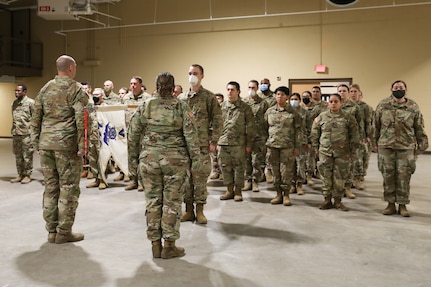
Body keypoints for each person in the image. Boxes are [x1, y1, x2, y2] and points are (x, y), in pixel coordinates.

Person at [128, 72, 201, 259]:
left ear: (157, 85)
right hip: (175, 161)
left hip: (149, 160)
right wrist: (196, 161)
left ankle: (154, 244)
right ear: (172, 87)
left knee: (153, 201)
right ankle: (169, 245)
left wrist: (132, 163)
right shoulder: (181, 106)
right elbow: (191, 136)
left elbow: (133, 134)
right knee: (172, 202)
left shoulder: (146, 105)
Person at [31, 55, 88, 244]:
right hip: (67, 145)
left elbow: (36, 115)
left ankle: (51, 231)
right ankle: (64, 232)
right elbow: (82, 119)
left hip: (46, 144)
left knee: (51, 187)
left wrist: (37, 142)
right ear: (71, 68)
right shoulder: (76, 89)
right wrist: (83, 145)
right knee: (68, 188)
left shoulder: (45, 88)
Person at [373, 80, 428, 217]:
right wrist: (374, 144)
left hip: (406, 147)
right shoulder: (383, 105)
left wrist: (421, 145)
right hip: (386, 146)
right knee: (388, 175)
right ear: (391, 89)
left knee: (404, 176)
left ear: (406, 89)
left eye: (401, 87)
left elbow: (419, 126)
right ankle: (390, 204)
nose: (398, 89)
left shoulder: (412, 106)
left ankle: (403, 205)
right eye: (396, 87)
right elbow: (376, 126)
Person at [178, 64, 222, 224]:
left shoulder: (209, 97)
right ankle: (188, 210)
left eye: (195, 73)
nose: (192, 76)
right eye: (190, 73)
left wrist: (214, 141)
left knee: (200, 179)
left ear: (202, 75)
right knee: (186, 179)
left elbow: (218, 120)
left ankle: (200, 211)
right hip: (184, 147)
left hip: (202, 146)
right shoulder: (182, 99)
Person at [311, 93, 360, 211]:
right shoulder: (321, 117)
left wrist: (353, 150)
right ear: (328, 103)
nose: (333, 104)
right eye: (331, 101)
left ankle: (338, 201)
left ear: (340, 103)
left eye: (336, 101)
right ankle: (326, 199)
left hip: (342, 152)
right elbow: (314, 134)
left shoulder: (348, 117)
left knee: (340, 177)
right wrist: (316, 148)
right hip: (325, 152)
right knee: (325, 177)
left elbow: (354, 135)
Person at [218, 81, 256, 202]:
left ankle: (238, 191)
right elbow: (215, 124)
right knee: (225, 167)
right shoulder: (221, 106)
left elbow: (250, 127)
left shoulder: (245, 107)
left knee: (239, 168)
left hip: (239, 143)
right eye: (228, 89)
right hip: (223, 142)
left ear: (238, 91)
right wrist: (215, 141)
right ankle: (229, 190)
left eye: (232, 90)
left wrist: (249, 144)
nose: (230, 92)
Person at [264, 86, 302, 206]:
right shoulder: (269, 112)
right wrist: (264, 145)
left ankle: (286, 195)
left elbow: (299, 131)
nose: (279, 97)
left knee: (286, 172)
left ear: (287, 97)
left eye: (282, 94)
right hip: (272, 146)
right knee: (275, 171)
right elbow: (264, 129)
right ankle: (278, 194)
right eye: (277, 94)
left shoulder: (293, 112)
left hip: (287, 146)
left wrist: (297, 147)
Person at [121, 76, 151, 191]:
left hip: (143, 133)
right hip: (130, 131)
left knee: (143, 157)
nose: (132, 86)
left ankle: (142, 182)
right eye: (131, 83)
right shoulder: (126, 98)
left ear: (140, 85)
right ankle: (134, 180)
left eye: (135, 84)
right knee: (131, 157)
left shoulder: (147, 98)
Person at [242, 80, 269, 192]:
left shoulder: (263, 103)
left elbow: (267, 120)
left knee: (256, 161)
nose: (251, 89)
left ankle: (255, 181)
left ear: (257, 88)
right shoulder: (243, 102)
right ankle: (247, 181)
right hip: (246, 136)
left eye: (253, 87)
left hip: (259, 135)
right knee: (246, 160)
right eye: (249, 87)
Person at [337, 84, 363, 199]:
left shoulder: (354, 107)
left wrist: (357, 141)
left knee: (349, 166)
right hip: (335, 141)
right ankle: (338, 188)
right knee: (336, 167)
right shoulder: (333, 104)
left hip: (348, 142)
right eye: (340, 91)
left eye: (344, 91)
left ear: (348, 92)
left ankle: (347, 188)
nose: (342, 93)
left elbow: (359, 125)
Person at [349, 84, 373, 190]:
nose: (353, 93)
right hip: (348, 137)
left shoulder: (365, 107)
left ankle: (358, 179)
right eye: (351, 91)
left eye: (355, 91)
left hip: (361, 137)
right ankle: (349, 179)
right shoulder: (346, 106)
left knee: (360, 160)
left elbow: (369, 122)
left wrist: (368, 135)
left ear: (359, 93)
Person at [85, 88, 109, 190]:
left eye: (97, 94)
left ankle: (103, 180)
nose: (95, 96)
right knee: (92, 159)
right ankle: (96, 179)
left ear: (102, 96)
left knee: (102, 160)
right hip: (92, 137)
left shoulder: (106, 107)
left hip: (102, 139)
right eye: (93, 94)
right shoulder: (91, 107)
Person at [11, 84, 35, 184]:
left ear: (24, 92)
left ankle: (27, 175)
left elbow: (36, 118)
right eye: (15, 91)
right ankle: (20, 174)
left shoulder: (30, 103)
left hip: (26, 134)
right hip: (16, 133)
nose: (16, 93)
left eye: (19, 91)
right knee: (18, 155)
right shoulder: (14, 103)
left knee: (27, 155)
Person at [288, 92, 307, 195]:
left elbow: (308, 127)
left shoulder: (304, 112)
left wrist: (309, 141)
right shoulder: (287, 111)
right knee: (290, 164)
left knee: (300, 164)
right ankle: (291, 185)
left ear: (299, 101)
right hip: (289, 141)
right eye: (292, 99)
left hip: (301, 141)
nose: (293, 101)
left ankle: (299, 184)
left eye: (295, 99)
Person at [257, 78, 275, 183]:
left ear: (269, 85)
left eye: (265, 84)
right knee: (260, 152)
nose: (263, 85)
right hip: (260, 128)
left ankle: (269, 171)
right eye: (262, 83)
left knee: (270, 152)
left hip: (272, 127)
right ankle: (261, 173)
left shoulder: (274, 96)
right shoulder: (257, 96)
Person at [209, 93, 224, 180]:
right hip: (212, 134)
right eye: (216, 99)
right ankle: (215, 171)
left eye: (219, 98)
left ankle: (222, 173)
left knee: (221, 155)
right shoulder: (211, 109)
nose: (217, 100)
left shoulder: (224, 109)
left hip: (221, 135)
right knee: (213, 155)